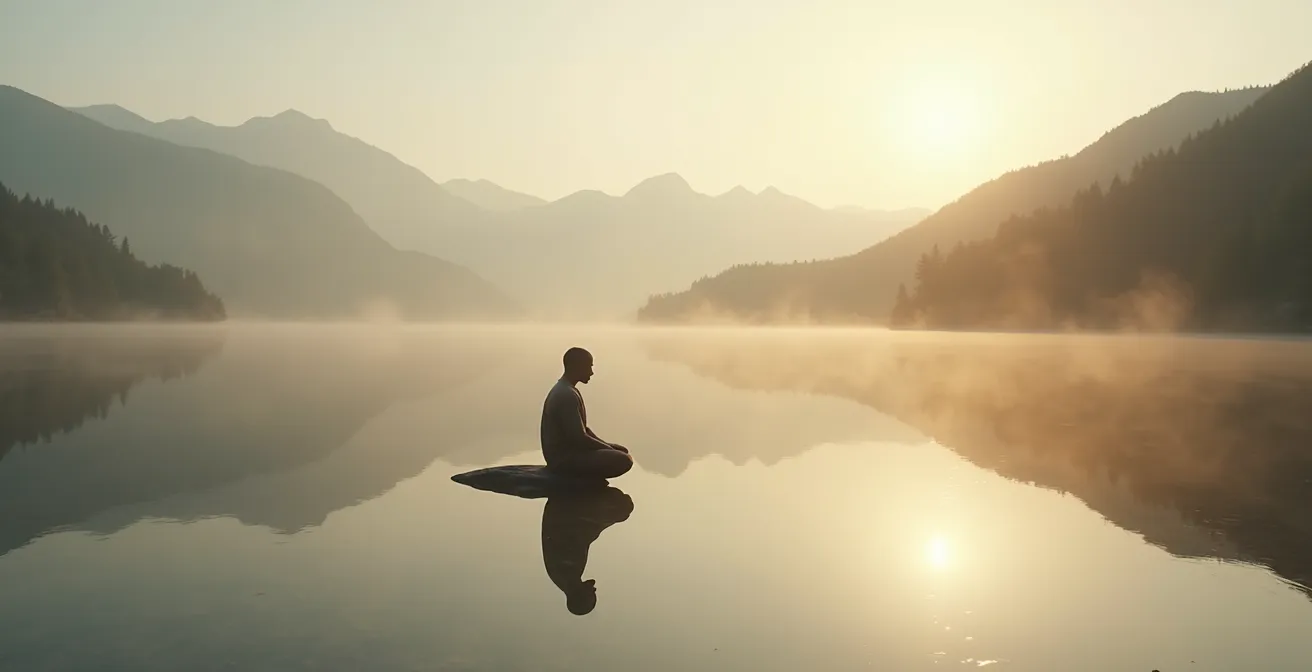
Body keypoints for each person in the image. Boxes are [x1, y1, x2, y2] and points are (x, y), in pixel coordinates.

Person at [540, 346, 634, 479]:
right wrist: (608, 449)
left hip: (571, 453)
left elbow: (584, 430)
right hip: (562, 460)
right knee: (624, 460)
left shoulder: (569, 390)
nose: (591, 372)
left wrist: (607, 446)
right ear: (576, 367)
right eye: (589, 367)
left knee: (622, 451)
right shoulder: (566, 394)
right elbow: (579, 438)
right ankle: (582, 480)